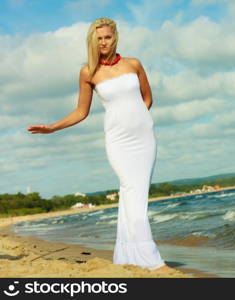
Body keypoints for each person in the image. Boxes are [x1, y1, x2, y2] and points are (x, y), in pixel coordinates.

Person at [27, 17, 174, 273]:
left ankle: (130, 256)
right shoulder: (88, 72)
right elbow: (81, 112)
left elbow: (147, 97)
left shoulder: (133, 64)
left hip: (144, 138)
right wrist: (52, 127)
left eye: (107, 37)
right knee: (133, 190)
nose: (103, 42)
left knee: (133, 196)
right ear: (92, 41)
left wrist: (140, 120)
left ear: (114, 37)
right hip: (118, 141)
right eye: (99, 39)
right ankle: (151, 259)